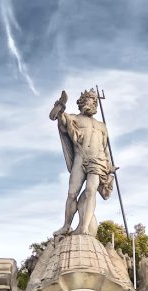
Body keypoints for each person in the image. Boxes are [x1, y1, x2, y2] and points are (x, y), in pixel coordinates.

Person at [49, 89, 115, 236]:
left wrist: (109, 165)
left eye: (95, 101)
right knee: (72, 194)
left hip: (98, 161)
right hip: (80, 158)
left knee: (91, 191)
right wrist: (60, 109)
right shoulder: (74, 118)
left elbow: (105, 147)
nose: (93, 103)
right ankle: (66, 226)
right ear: (82, 102)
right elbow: (54, 117)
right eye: (90, 100)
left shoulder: (102, 126)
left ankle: (84, 227)